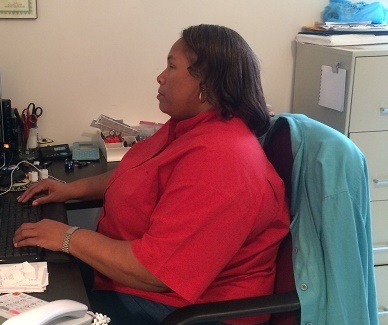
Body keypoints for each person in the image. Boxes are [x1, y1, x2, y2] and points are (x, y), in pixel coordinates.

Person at [14, 24, 289, 325]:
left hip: (187, 309)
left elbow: (156, 272)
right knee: (27, 283)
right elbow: (141, 175)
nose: (160, 76)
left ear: (206, 85)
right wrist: (71, 189)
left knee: (40, 310)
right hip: (138, 283)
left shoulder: (222, 162)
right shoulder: (187, 127)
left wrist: (68, 237)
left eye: (172, 66)